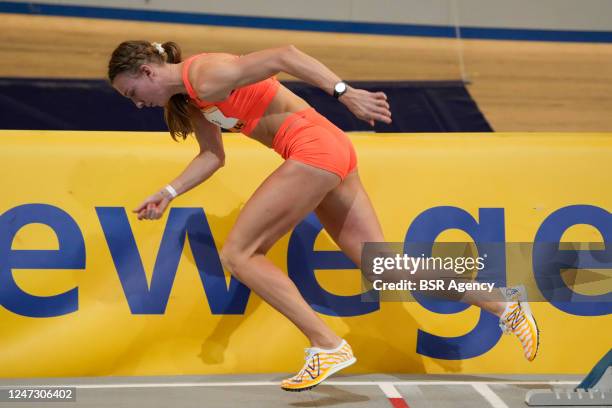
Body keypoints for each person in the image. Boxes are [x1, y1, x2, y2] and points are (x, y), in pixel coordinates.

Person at [107, 40, 539, 392]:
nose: (136, 103)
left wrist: (344, 92)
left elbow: (284, 56)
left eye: (131, 93)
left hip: (313, 148)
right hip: (327, 149)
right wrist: (167, 193)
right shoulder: (193, 97)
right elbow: (212, 156)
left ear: (147, 72)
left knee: (239, 254)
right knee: (383, 267)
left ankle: (325, 343)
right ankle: (502, 303)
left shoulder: (205, 73)